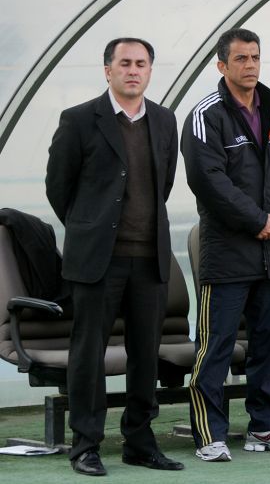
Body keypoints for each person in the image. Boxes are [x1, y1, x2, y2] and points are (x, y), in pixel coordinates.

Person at [46, 38, 184, 476]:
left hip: (149, 259)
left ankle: (139, 443)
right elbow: (59, 187)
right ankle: (85, 445)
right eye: (124, 63)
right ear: (108, 70)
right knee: (89, 354)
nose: (133, 70)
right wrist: (89, 227)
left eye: (141, 63)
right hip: (97, 261)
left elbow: (164, 183)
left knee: (145, 354)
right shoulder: (79, 119)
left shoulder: (164, 119)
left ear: (150, 71)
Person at [182, 28, 270, 461]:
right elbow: (208, 180)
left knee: (267, 346)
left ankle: (265, 426)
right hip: (226, 254)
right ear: (222, 65)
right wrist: (258, 220)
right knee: (215, 347)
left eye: (255, 57)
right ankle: (210, 434)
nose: (250, 65)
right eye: (241, 58)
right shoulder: (206, 115)